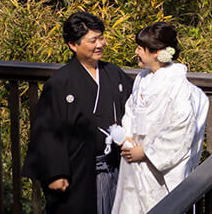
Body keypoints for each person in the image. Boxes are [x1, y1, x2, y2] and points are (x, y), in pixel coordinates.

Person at [23, 11, 133, 214]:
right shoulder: (60, 83)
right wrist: (55, 172)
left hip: (114, 166)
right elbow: (47, 130)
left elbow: (134, 107)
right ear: (73, 45)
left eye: (101, 37)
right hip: (78, 170)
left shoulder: (113, 73)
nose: (100, 44)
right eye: (93, 40)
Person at [112, 23, 209, 214]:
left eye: (140, 48)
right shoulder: (142, 78)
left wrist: (147, 152)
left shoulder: (177, 84)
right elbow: (131, 110)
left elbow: (181, 128)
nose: (136, 52)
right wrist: (127, 136)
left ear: (156, 52)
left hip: (157, 166)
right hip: (134, 160)